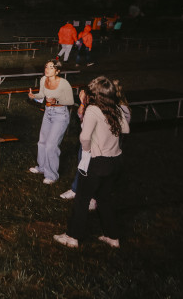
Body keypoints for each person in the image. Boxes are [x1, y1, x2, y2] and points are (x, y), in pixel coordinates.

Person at [54, 76, 129, 249]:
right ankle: (112, 237)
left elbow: (85, 137)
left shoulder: (93, 110)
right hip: (115, 161)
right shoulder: (115, 108)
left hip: (96, 162)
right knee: (104, 199)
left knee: (82, 199)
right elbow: (126, 128)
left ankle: (72, 237)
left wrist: (87, 151)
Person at [27, 59, 74, 184]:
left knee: (51, 146)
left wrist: (57, 101)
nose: (47, 69)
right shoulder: (43, 79)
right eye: (46, 66)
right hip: (48, 112)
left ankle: (52, 175)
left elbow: (70, 101)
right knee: (42, 142)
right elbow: (42, 94)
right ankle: (42, 167)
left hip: (60, 115)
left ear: (57, 71)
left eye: (51, 67)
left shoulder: (64, 83)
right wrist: (34, 96)